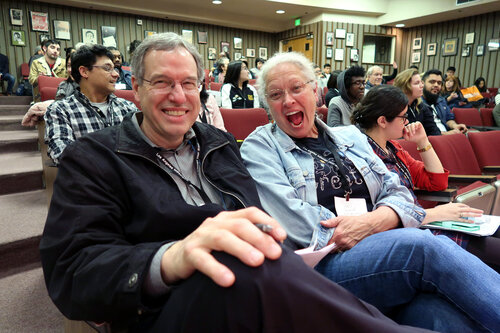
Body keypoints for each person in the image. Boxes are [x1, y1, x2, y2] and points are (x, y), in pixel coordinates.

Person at [39, 32, 431, 333]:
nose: (178, 96)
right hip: (164, 309)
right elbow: (71, 273)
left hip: (260, 284)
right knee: (242, 261)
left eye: (189, 84)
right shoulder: (93, 158)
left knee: (431, 308)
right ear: (137, 89)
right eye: (162, 82)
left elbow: (260, 221)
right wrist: (172, 257)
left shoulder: (219, 144)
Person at [239, 51, 500, 332]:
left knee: (440, 314)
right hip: (324, 267)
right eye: (276, 94)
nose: (288, 100)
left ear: (315, 91)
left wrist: (373, 223)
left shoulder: (350, 137)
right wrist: (386, 227)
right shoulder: (259, 147)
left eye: (296, 88)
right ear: (267, 104)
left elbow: (398, 191)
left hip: (385, 250)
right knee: (423, 246)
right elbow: (294, 222)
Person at [351, 85, 500, 273]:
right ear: (382, 121)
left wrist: (423, 141)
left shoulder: (393, 149)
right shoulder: (362, 156)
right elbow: (380, 219)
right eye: (403, 117)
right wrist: (437, 214)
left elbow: (437, 182)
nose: (407, 121)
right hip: (409, 235)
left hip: (421, 224)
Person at [44, 44, 137, 164]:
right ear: (84, 71)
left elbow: (144, 146)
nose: (116, 74)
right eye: (107, 68)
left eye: (114, 69)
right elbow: (63, 153)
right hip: (91, 180)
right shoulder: (61, 110)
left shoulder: (128, 107)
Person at [393, 69, 441, 136]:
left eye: (421, 82)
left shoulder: (423, 107)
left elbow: (434, 132)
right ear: (405, 87)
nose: (422, 86)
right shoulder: (393, 108)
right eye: (417, 83)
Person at [421, 69, 468, 135]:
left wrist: (455, 126)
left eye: (439, 83)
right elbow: (425, 132)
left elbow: (448, 118)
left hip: (446, 136)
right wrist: (447, 134)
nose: (436, 85)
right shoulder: (417, 103)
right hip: (431, 140)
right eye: (432, 82)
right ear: (422, 83)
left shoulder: (441, 100)